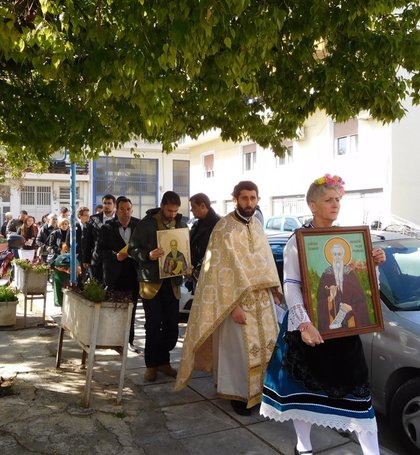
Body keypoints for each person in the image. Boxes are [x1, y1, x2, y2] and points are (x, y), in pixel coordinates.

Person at [260, 174, 386, 455]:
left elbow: (365, 289)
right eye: (328, 200)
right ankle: (303, 447)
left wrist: (373, 264)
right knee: (301, 395)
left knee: (359, 399)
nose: (335, 204)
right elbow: (291, 285)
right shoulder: (299, 239)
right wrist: (304, 323)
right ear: (312, 205)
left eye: (338, 199)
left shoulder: (350, 239)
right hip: (308, 327)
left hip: (343, 331)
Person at [175, 181, 282, 416]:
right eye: (244, 198)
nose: (249, 203)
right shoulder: (223, 229)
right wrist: (232, 307)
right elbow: (218, 273)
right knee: (240, 353)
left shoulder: (257, 226)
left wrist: (274, 291)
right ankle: (240, 396)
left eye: (253, 198)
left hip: (262, 302)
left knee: (266, 349)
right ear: (235, 199)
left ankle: (263, 395)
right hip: (236, 302)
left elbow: (266, 261)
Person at [128, 191, 187, 382]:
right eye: (169, 210)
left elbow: (185, 248)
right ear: (162, 206)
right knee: (153, 326)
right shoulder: (146, 224)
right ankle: (151, 365)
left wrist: (186, 265)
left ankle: (163, 361)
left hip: (173, 284)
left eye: (175, 211)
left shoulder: (181, 223)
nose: (172, 214)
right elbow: (132, 249)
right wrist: (148, 255)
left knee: (171, 328)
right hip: (151, 283)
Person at [97, 197, 140, 353]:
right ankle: (113, 340)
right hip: (114, 275)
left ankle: (129, 340)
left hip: (133, 275)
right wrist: (115, 256)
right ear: (116, 209)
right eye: (122, 209)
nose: (125, 212)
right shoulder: (106, 228)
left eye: (128, 209)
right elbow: (99, 252)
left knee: (131, 309)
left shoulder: (138, 226)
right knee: (114, 309)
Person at [317, 242, 370, 332]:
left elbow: (360, 297)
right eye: (335, 254)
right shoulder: (326, 273)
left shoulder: (349, 273)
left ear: (343, 255)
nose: (337, 257)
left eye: (339, 254)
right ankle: (337, 321)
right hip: (332, 318)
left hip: (350, 320)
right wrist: (329, 294)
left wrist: (352, 307)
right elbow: (320, 298)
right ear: (331, 255)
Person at [189, 193, 220, 291]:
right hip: (196, 275)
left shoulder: (218, 224)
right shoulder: (197, 224)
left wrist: (196, 270)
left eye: (193, 207)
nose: (191, 210)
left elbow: (216, 252)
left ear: (202, 206)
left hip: (211, 276)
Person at [83, 194, 116, 282]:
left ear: (114, 205)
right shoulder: (94, 219)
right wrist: (86, 259)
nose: (106, 206)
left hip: (114, 258)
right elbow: (88, 240)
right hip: (97, 258)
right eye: (104, 203)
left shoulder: (119, 219)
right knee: (97, 284)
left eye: (109, 203)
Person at [66, 206, 90, 283]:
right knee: (77, 273)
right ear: (80, 216)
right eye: (86, 215)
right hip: (77, 254)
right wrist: (73, 251)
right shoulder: (74, 226)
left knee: (85, 274)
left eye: (88, 215)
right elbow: (68, 240)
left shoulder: (89, 226)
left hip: (86, 254)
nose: (88, 217)